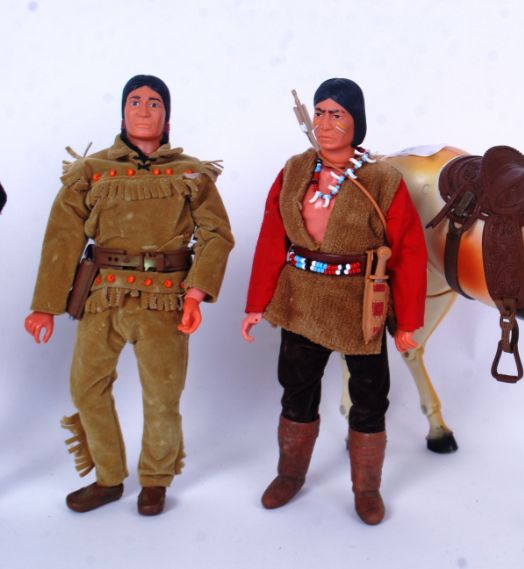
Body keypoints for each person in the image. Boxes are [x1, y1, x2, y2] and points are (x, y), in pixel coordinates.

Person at [24, 75, 234, 516]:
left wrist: (195, 293)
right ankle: (108, 477)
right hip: (103, 296)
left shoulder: (191, 173)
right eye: (134, 101)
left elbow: (216, 234)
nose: (143, 109)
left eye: (154, 102)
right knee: (86, 388)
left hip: (165, 299)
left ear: (167, 117)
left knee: (163, 394)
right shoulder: (92, 171)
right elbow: (62, 236)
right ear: (122, 112)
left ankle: (155, 480)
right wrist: (44, 306)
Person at [241, 78, 426, 525]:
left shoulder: (382, 180)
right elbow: (272, 236)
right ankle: (290, 474)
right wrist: (257, 303)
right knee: (296, 390)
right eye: (320, 113)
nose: (325, 123)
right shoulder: (295, 170)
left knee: (370, 397)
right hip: (300, 300)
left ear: (355, 121)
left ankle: (366, 488)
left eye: (337, 114)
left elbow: (408, 251)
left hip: (358, 305)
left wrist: (406, 322)